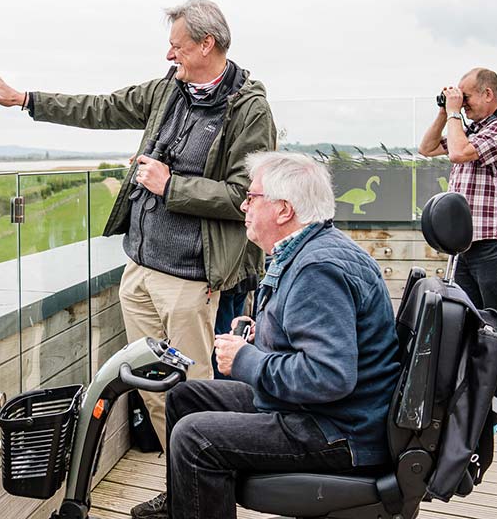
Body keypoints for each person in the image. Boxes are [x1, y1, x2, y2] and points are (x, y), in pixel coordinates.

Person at [0, 0, 275, 449]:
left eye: (176, 46)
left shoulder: (249, 110)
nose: (169, 55)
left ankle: (204, 491)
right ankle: (180, 487)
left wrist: (170, 185)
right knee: (152, 391)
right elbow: (103, 108)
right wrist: (26, 100)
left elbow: (243, 196)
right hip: (139, 271)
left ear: (205, 44)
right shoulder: (167, 89)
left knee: (193, 394)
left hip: (190, 281)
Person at [131, 151, 400, 519]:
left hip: (339, 431)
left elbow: (329, 376)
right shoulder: (313, 250)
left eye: (252, 197)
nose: (243, 205)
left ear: (284, 210)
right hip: (326, 412)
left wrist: (245, 359)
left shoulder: (317, 270)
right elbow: (315, 337)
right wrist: (266, 336)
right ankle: (184, 504)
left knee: (196, 437)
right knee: (187, 396)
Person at [418, 67, 497, 431]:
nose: (462, 105)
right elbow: (427, 147)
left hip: (494, 239)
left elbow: (459, 153)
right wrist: (443, 111)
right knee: (470, 321)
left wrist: (454, 114)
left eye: (466, 98)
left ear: (488, 94)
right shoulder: (474, 126)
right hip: (465, 243)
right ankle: (478, 398)